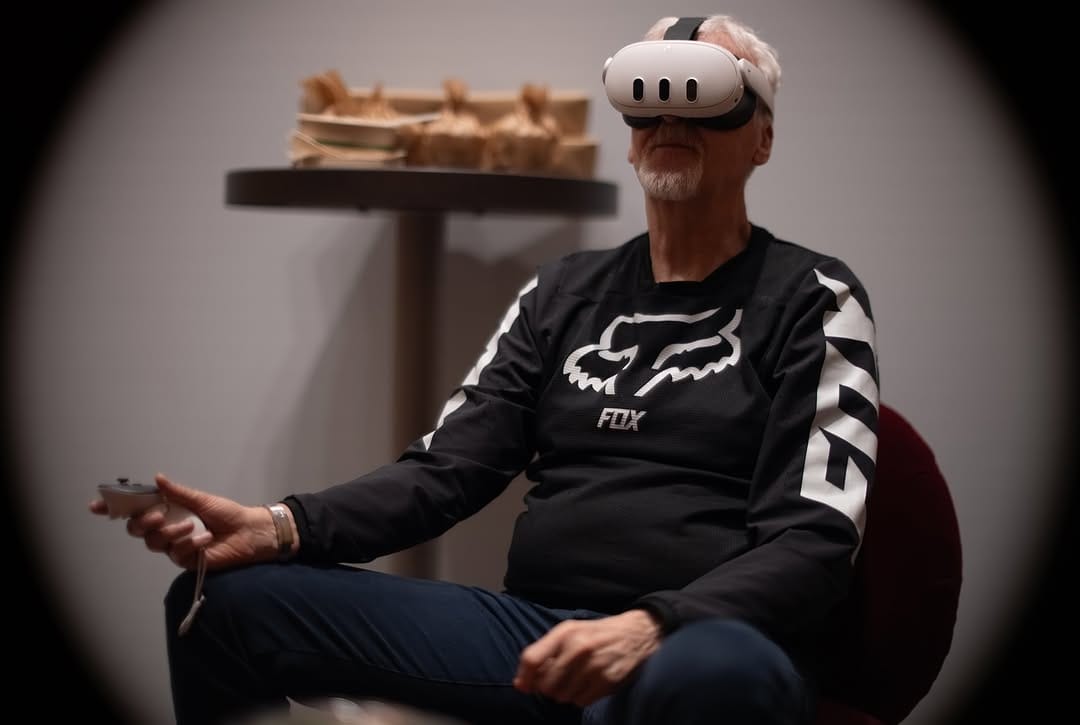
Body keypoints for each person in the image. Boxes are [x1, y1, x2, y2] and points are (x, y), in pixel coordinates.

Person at [91, 13, 879, 725]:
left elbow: (813, 539)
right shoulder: (562, 292)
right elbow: (445, 472)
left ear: (762, 137)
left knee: (711, 677)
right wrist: (281, 525)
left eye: (706, 97)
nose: (671, 116)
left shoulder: (813, 296)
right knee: (222, 605)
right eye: (648, 97)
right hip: (534, 633)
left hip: (705, 639)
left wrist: (653, 624)